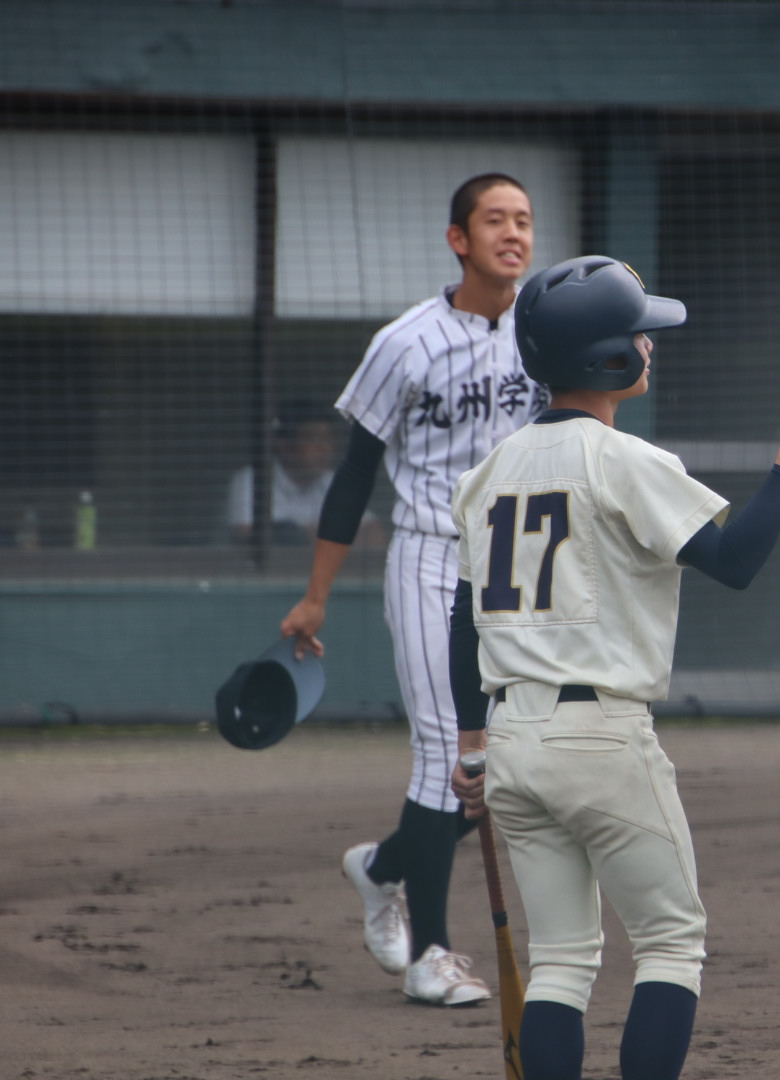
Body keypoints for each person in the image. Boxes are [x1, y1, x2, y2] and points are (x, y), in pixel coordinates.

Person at [446, 255, 780, 1080]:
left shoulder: (485, 474)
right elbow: (733, 562)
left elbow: (461, 618)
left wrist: (470, 743)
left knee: (559, 962)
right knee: (669, 943)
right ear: (610, 358)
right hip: (600, 736)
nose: (651, 348)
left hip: (511, 737)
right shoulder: (625, 461)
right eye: (641, 336)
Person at [280, 172, 548, 1007]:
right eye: (495, 221)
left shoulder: (544, 330)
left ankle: (383, 866)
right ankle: (432, 954)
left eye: (524, 221)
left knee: (492, 769)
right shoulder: (407, 342)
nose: (514, 234)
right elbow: (356, 473)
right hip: (432, 554)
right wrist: (317, 594)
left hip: (516, 562)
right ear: (457, 240)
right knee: (450, 752)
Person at [225, 399, 379, 546]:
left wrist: (298, 536)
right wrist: (339, 535)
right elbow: (248, 537)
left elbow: (374, 535)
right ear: (284, 446)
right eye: (313, 439)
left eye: (327, 439)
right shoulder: (254, 480)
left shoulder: (334, 481)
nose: (324, 449)